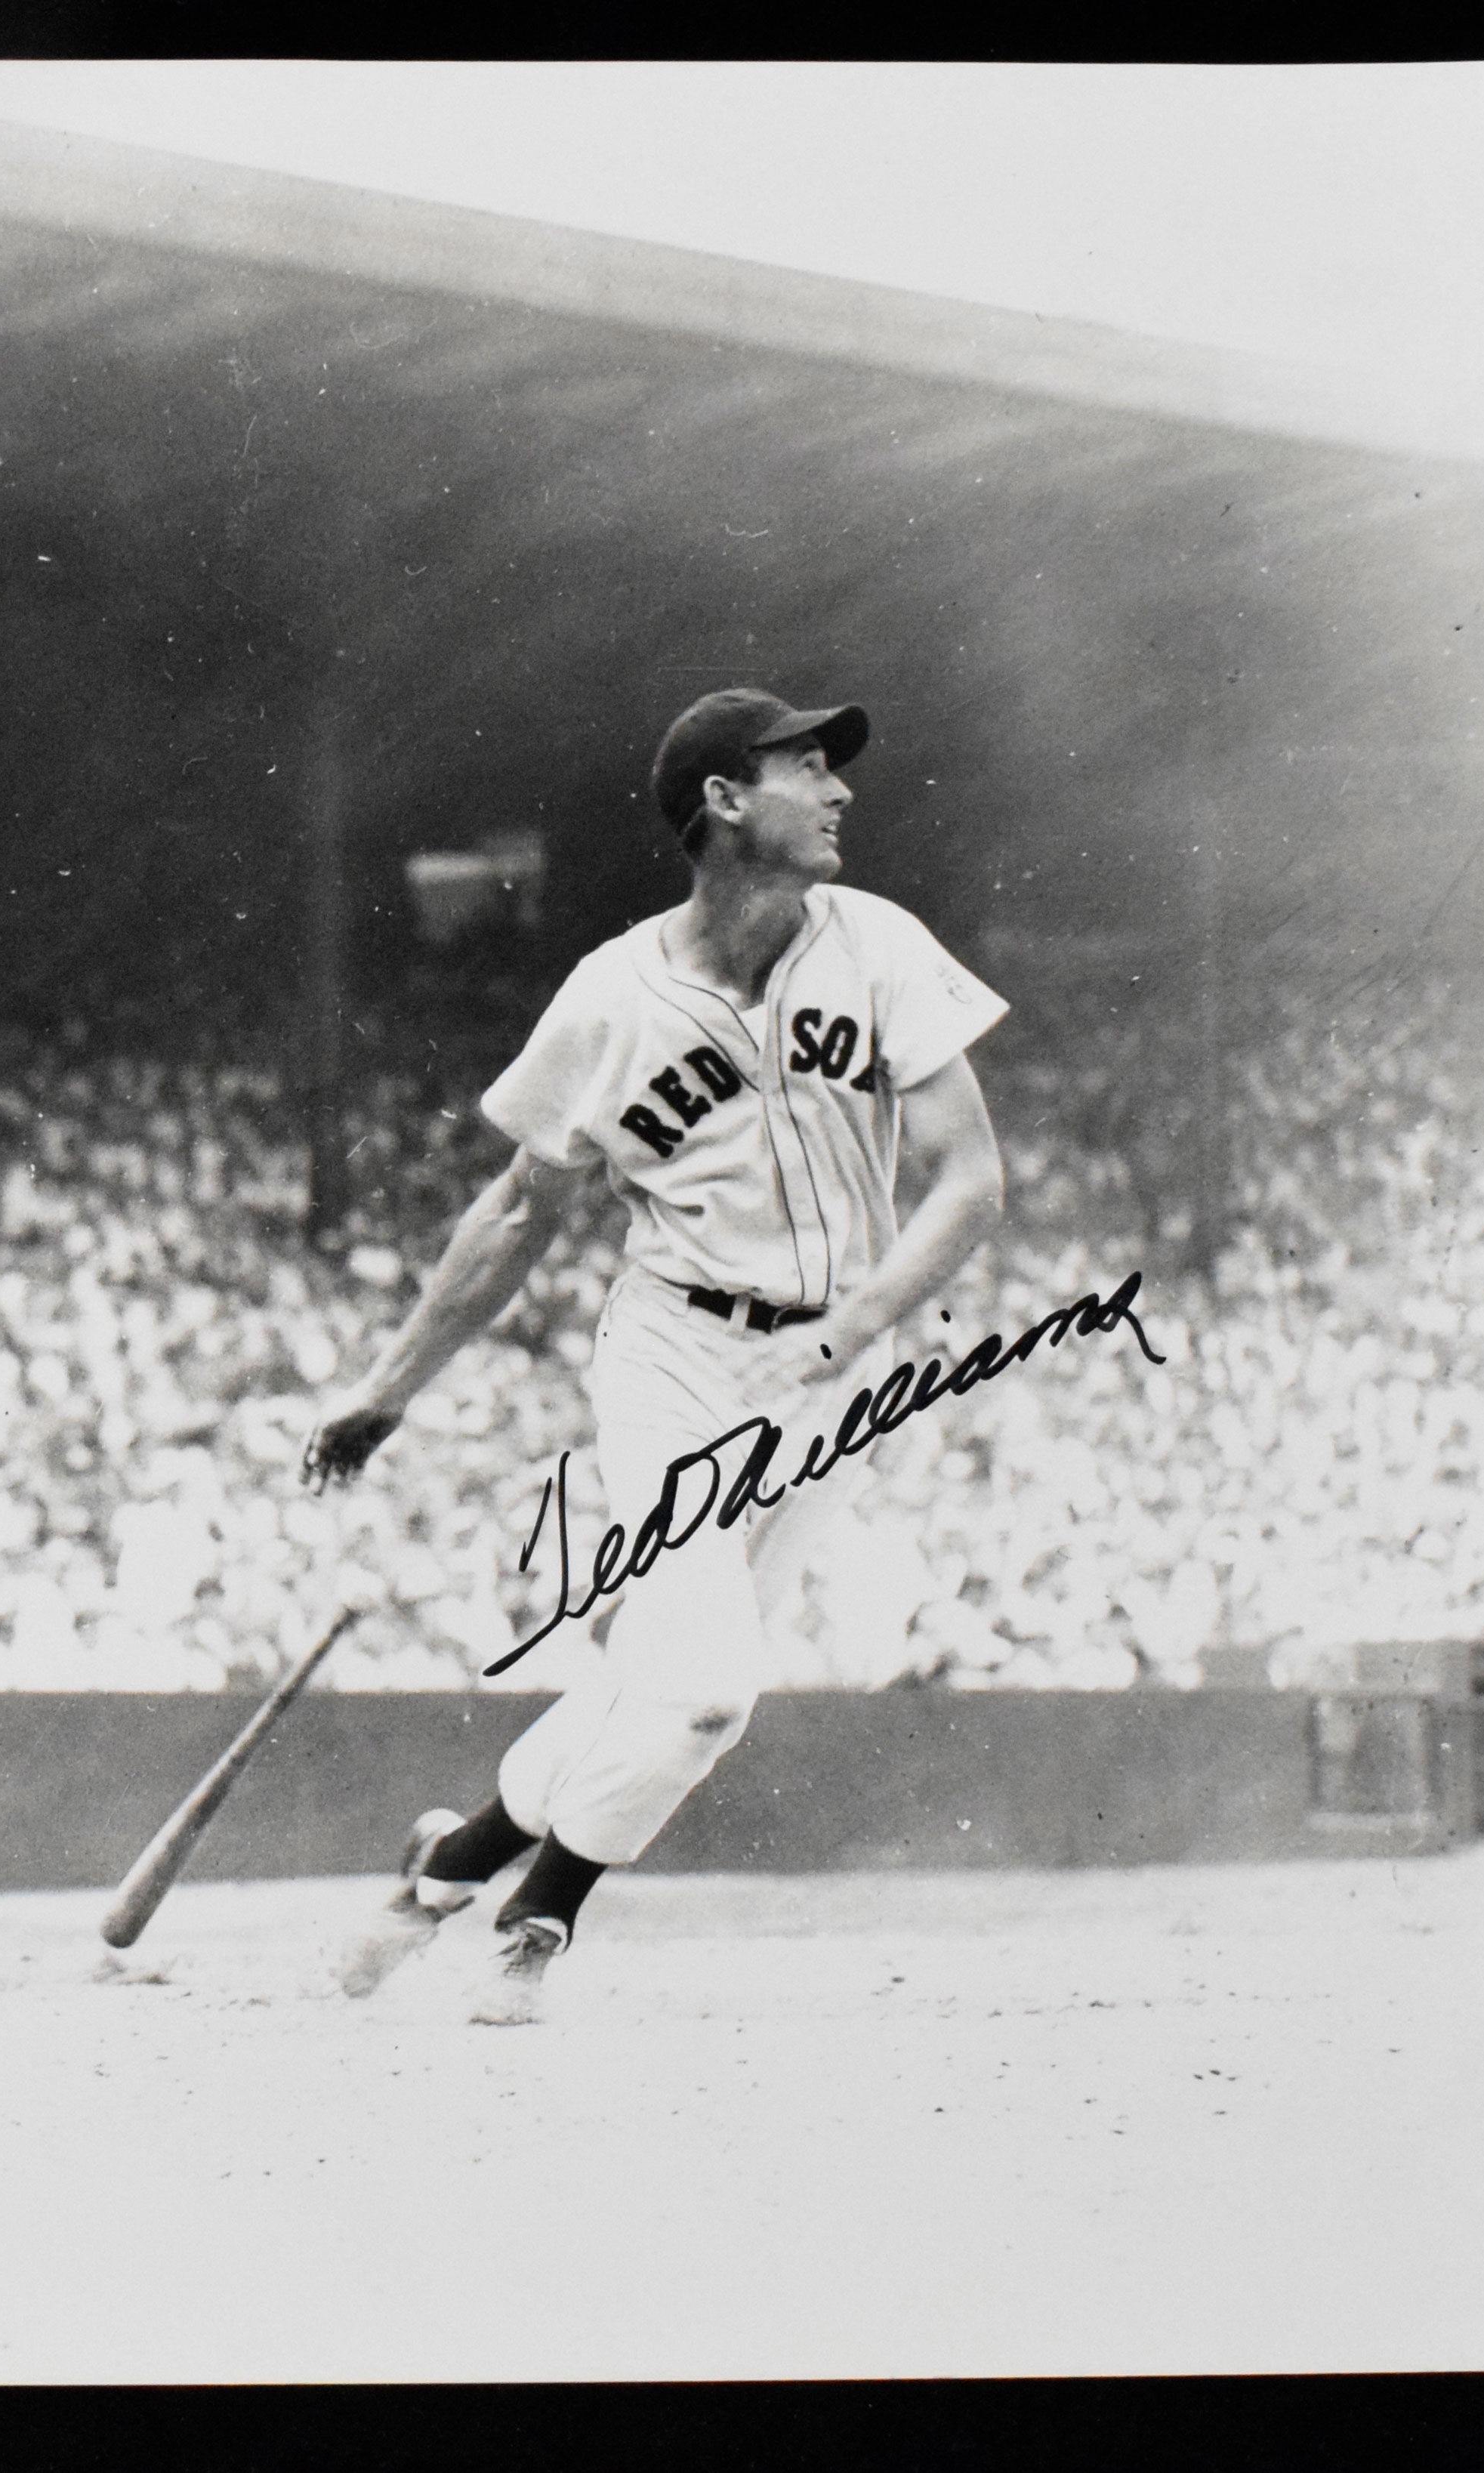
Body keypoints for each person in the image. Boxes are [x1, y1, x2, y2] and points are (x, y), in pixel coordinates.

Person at [304, 689, 1010, 2024]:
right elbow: (517, 1210)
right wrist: (386, 1389)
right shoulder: (610, 997)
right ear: (725, 801)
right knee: (701, 1694)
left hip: (835, 1373)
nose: (839, 791)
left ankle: (436, 1878)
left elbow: (969, 1181)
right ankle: (537, 1922)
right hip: (676, 1354)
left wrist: (854, 1332)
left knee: (653, 1676)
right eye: (807, 767)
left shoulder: (877, 943)